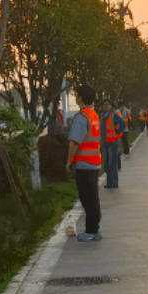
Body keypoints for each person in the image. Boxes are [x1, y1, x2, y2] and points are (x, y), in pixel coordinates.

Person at [67, 84, 102, 241]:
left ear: (80, 98)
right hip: (94, 162)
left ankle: (91, 230)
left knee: (87, 197)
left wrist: (68, 162)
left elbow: (75, 142)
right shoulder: (93, 115)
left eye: (77, 94)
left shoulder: (82, 117)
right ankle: (94, 229)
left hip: (84, 163)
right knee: (92, 197)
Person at [100, 100, 125, 189]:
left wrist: (117, 132)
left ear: (111, 106)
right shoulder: (103, 116)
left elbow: (122, 123)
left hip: (113, 142)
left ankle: (113, 183)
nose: (105, 106)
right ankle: (110, 182)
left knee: (112, 163)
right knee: (106, 164)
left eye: (107, 105)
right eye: (104, 105)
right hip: (105, 142)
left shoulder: (113, 115)